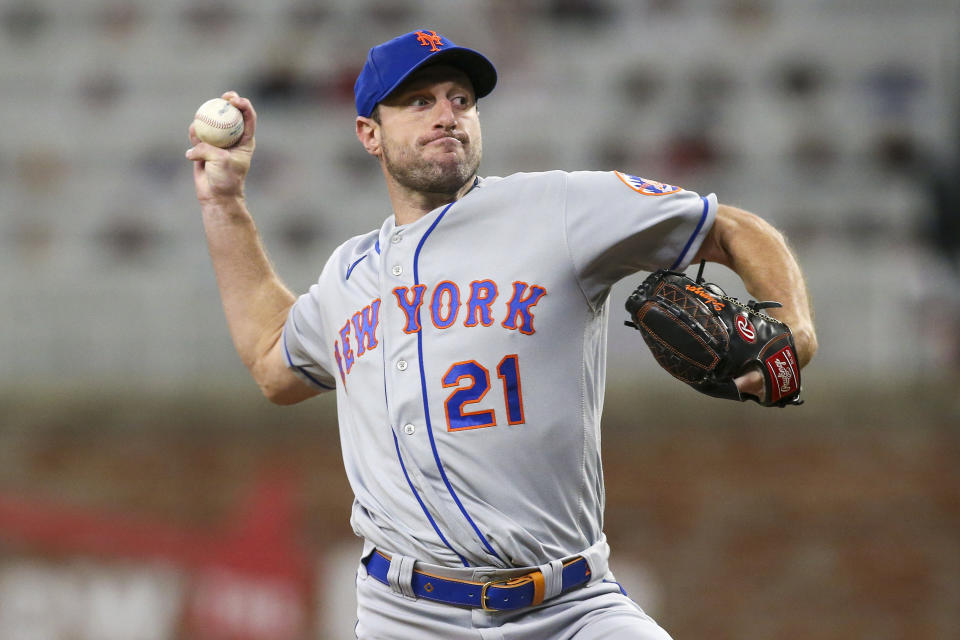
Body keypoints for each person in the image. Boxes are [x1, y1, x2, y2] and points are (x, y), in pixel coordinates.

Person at [186, 29, 816, 640]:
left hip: (572, 604)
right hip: (407, 615)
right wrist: (223, 202)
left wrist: (794, 327)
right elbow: (274, 360)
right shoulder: (351, 272)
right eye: (419, 101)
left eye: (461, 99)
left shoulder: (559, 208)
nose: (447, 115)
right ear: (369, 135)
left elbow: (733, 227)